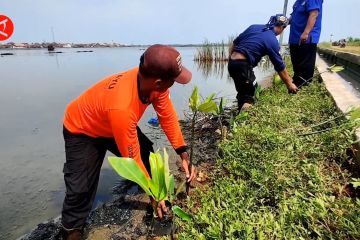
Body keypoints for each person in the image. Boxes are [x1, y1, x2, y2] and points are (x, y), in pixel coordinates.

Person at [60, 44, 196, 239]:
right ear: (158, 82)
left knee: (147, 153)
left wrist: (183, 152)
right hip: (82, 128)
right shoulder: (123, 106)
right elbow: (131, 159)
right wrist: (154, 194)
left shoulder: (153, 84)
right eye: (172, 81)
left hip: (111, 121)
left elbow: (167, 117)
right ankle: (71, 231)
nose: (173, 84)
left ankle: (153, 194)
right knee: (80, 188)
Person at [228, 14, 298, 111]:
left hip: (232, 63)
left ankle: (239, 114)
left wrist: (232, 60)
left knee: (243, 92)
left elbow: (235, 43)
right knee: (249, 96)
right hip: (242, 65)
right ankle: (243, 122)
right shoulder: (272, 40)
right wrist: (289, 84)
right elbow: (279, 66)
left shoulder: (254, 27)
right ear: (282, 27)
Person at [289, 0, 323, 87]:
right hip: (295, 39)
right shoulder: (298, 2)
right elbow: (295, 16)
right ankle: (296, 89)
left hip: (305, 39)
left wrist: (306, 32)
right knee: (297, 68)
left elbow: (314, 14)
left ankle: (303, 89)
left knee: (305, 69)